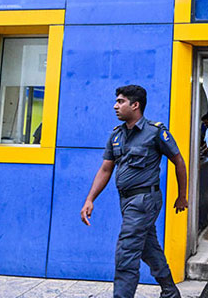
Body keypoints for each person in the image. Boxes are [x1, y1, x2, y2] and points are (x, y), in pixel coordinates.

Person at [80, 85, 188, 298]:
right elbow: (105, 168)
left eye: (120, 101)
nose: (115, 106)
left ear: (135, 105)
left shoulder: (155, 132)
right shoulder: (116, 135)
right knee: (148, 247)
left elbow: (179, 161)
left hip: (145, 199)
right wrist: (90, 199)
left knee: (126, 251)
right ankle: (170, 292)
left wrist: (182, 196)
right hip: (127, 201)